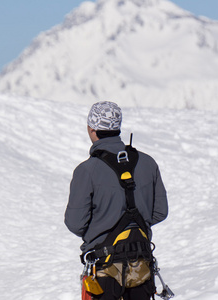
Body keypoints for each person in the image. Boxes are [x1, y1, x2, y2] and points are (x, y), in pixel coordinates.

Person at [65, 101, 168, 300]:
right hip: (142, 263)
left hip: (105, 268)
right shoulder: (148, 163)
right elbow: (160, 212)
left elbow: (75, 223)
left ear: (91, 128)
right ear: (117, 127)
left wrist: (101, 228)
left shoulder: (87, 171)